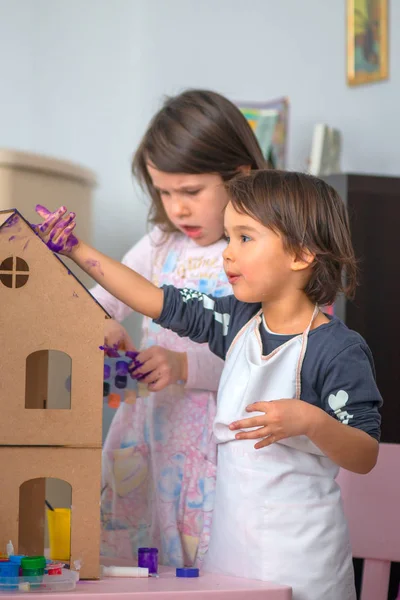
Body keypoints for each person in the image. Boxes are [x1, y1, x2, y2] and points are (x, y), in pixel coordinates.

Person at [35, 169, 382, 600]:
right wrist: (74, 248)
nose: (227, 255)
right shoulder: (235, 322)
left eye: (245, 238)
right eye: (229, 237)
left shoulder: (338, 349)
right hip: (230, 560)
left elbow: (365, 452)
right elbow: (151, 297)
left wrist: (311, 421)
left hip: (303, 564)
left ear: (301, 254)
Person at [88, 89, 266, 565]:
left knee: (198, 562)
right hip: (145, 431)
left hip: (209, 440)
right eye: (164, 192)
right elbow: (96, 301)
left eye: (190, 192)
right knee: (130, 560)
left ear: (241, 176)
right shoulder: (159, 244)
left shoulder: (255, 252)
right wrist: (102, 324)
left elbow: (259, 354)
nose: (177, 209)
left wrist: (186, 364)